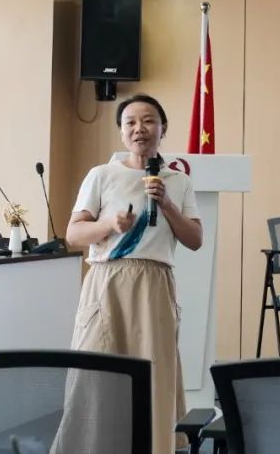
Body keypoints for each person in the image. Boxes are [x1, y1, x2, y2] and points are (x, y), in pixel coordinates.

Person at [55, 94, 203, 454]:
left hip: (154, 285)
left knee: (154, 375)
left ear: (163, 129)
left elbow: (195, 240)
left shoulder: (178, 181)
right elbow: (73, 234)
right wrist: (109, 224)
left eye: (149, 121)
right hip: (106, 283)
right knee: (95, 372)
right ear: (121, 132)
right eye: (131, 122)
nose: (140, 129)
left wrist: (167, 203)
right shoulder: (102, 175)